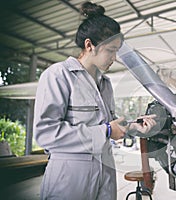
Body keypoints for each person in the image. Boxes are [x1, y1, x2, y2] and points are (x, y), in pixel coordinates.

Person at [33, 2, 156, 200]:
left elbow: (110, 123)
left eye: (117, 51)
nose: (115, 58)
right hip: (70, 177)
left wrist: (134, 126)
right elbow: (46, 133)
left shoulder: (104, 83)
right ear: (89, 45)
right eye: (110, 50)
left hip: (105, 171)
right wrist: (105, 131)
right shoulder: (58, 75)